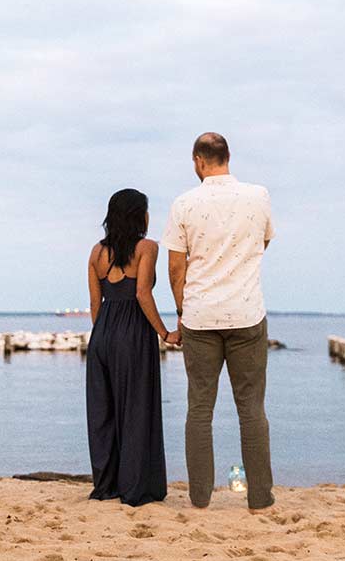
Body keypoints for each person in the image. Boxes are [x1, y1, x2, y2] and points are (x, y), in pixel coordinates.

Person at [164, 132, 276, 511]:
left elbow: (176, 269)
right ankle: (259, 497)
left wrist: (182, 312)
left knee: (199, 409)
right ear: (228, 156)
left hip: (200, 317)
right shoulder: (258, 196)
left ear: (199, 160)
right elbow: (263, 243)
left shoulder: (184, 204)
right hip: (246, 313)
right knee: (251, 409)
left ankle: (199, 497)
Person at [84, 188, 171, 506]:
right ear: (139, 216)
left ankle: (106, 485)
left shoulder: (96, 252)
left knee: (103, 412)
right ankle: (136, 488)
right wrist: (163, 332)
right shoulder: (147, 247)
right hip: (133, 333)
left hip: (103, 334)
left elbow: (95, 303)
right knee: (136, 409)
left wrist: (104, 336)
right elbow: (142, 294)